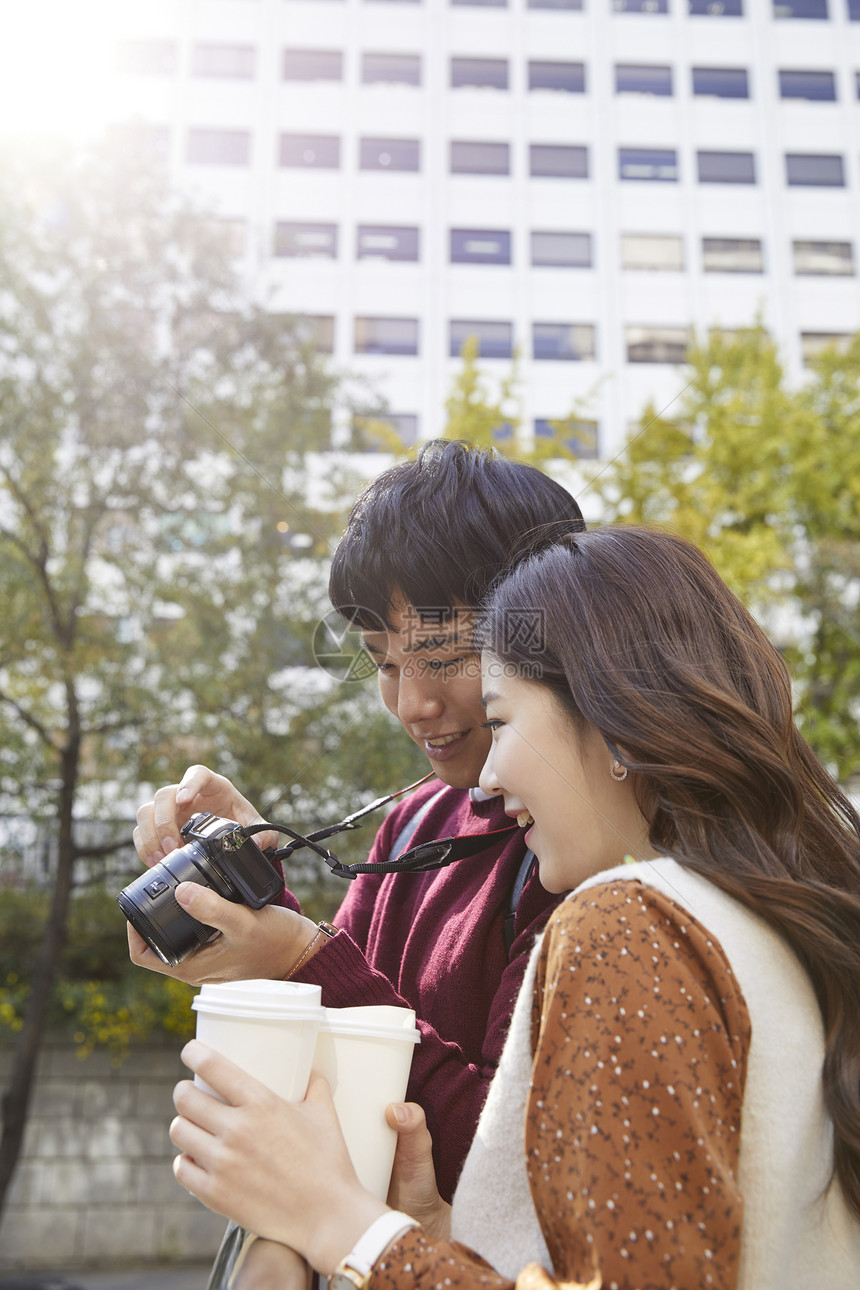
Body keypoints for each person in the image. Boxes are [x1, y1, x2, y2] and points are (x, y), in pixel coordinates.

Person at [168, 525, 860, 1290]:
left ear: (614, 717)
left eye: (500, 719)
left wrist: (340, 1225)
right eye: (382, 663)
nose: (487, 778)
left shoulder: (629, 925)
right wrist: (437, 1234)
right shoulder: (778, 914)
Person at [129, 439, 586, 1200]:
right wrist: (260, 902)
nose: (413, 705)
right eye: (383, 662)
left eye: (443, 654)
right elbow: (338, 1047)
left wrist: (299, 955)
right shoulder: (412, 822)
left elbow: (512, 1160)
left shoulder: (584, 853)